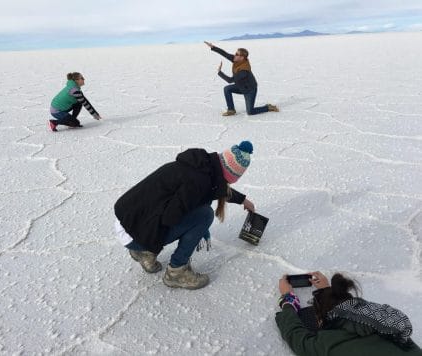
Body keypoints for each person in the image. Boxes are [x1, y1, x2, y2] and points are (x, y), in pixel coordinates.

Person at [114, 141, 256, 290]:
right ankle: (176, 271)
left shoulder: (199, 166)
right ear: (230, 176)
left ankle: (144, 253)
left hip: (127, 222)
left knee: (196, 211)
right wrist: (195, 210)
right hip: (135, 233)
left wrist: (242, 200)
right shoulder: (198, 183)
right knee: (204, 215)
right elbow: (170, 218)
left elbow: (213, 189)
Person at [275, 271, 421, 356]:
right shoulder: (385, 323)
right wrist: (327, 291)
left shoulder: (330, 343)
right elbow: (346, 308)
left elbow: (297, 338)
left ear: (321, 319)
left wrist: (288, 300)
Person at [204, 41, 279, 116]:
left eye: (237, 54)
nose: (234, 55)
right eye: (235, 53)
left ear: (242, 57)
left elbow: (230, 80)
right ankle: (231, 110)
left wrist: (220, 72)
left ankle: (268, 107)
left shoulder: (244, 70)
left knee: (250, 112)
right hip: (241, 86)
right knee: (227, 89)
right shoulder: (237, 60)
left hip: (250, 90)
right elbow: (225, 54)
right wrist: (213, 47)